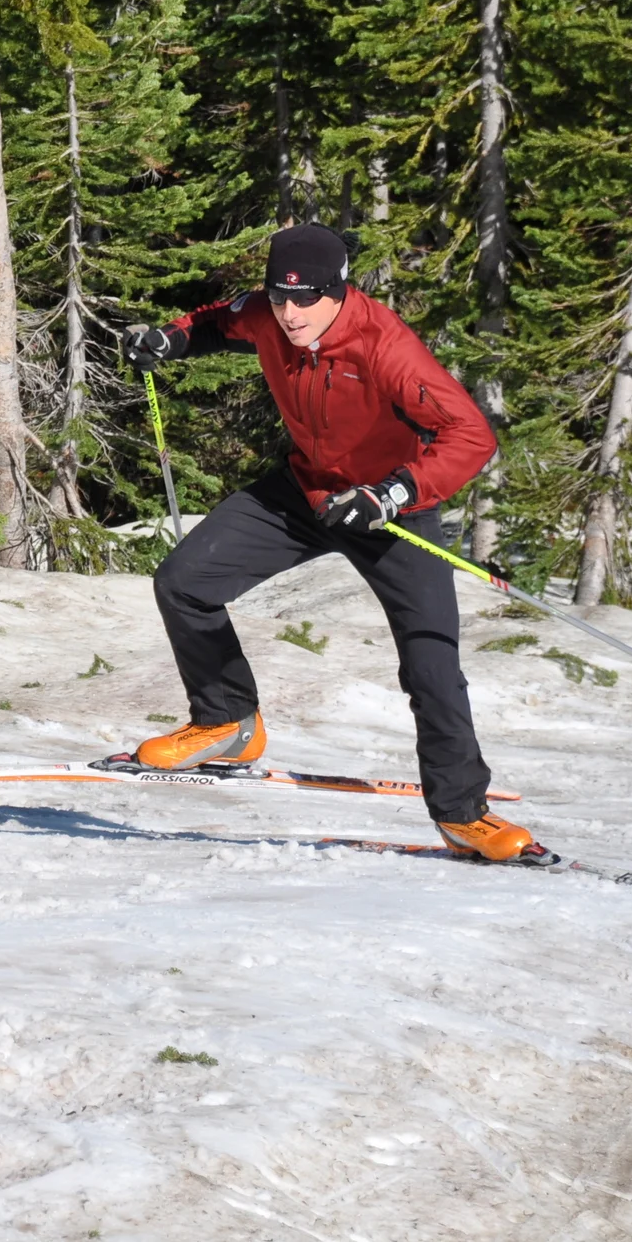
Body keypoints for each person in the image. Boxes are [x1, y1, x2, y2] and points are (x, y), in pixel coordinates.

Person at [120, 223, 537, 861]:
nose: (289, 314)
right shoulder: (269, 312)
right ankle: (227, 722)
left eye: (306, 299)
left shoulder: (385, 347)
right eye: (280, 298)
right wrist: (167, 339)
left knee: (431, 663)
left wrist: (393, 494)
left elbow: (471, 436)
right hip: (305, 491)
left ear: (339, 291)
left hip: (387, 509)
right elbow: (214, 323)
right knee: (184, 582)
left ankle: (462, 814)